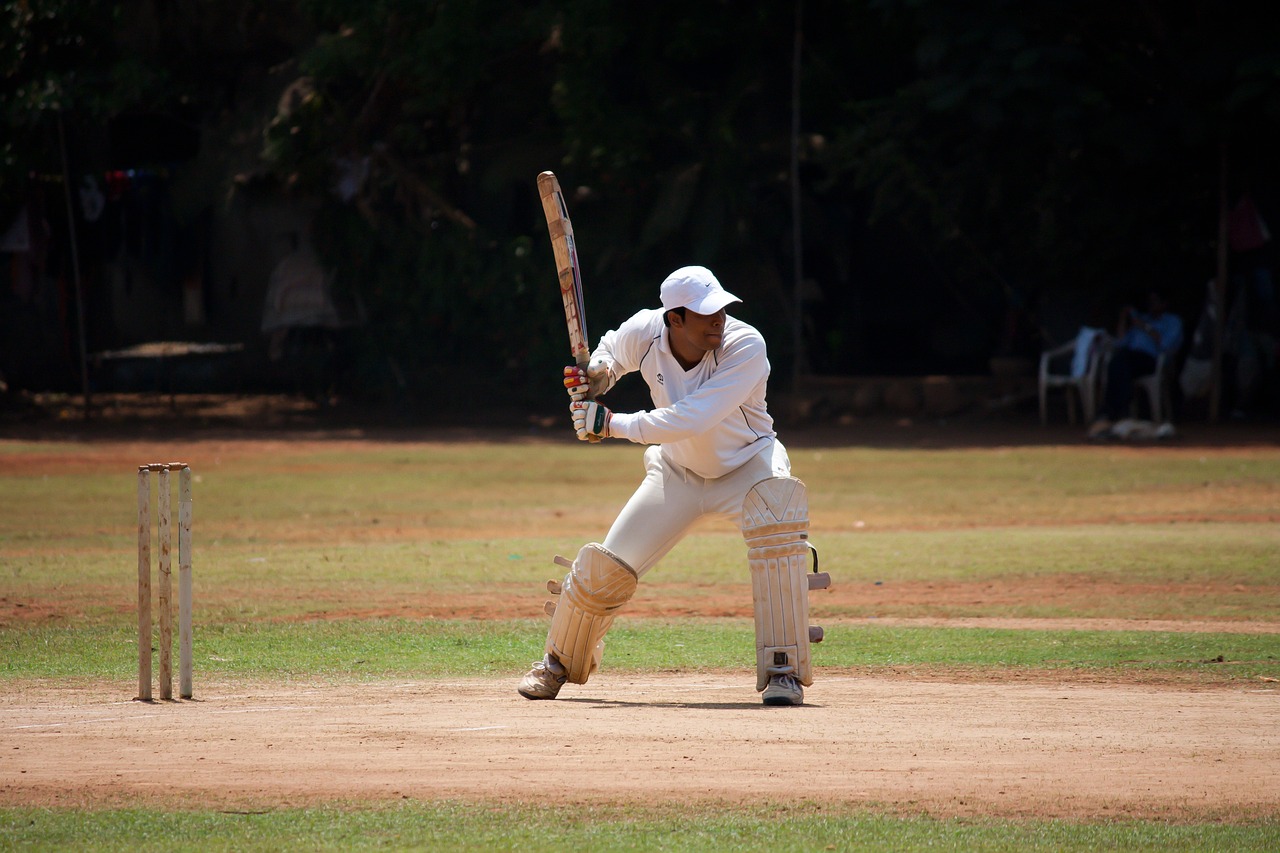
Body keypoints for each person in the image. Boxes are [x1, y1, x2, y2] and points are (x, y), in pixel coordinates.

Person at [517, 265, 826, 706]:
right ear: (674, 318)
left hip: (748, 465)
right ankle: (558, 664)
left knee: (779, 521)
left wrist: (610, 424)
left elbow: (692, 417)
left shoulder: (745, 344)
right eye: (705, 314)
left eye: (721, 309)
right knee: (606, 565)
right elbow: (609, 352)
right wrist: (598, 374)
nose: (718, 320)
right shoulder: (645, 331)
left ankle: (785, 671)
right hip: (678, 473)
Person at [1087, 288, 1184, 439]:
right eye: (1150, 301)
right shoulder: (1140, 320)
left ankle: (1111, 411)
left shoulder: (1172, 321)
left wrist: (1143, 325)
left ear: (1164, 304)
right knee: (1117, 362)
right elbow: (1121, 343)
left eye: (1155, 301)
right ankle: (1120, 411)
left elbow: (1166, 345)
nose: (1151, 304)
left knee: (1121, 362)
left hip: (1152, 360)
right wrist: (1123, 318)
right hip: (1129, 359)